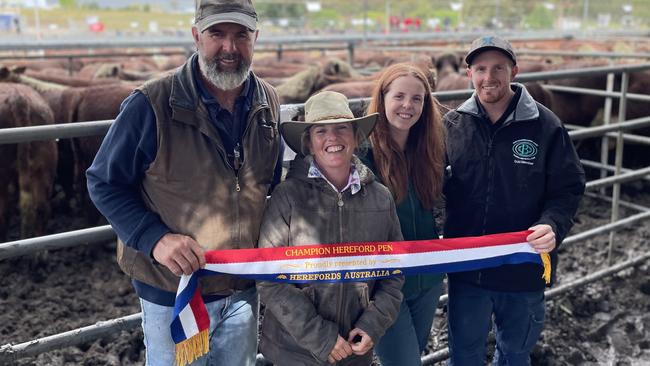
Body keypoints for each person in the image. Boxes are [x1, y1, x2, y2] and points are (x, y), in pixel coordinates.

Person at [86, 0, 283, 365]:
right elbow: (103, 182)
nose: (229, 47)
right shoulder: (151, 104)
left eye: (241, 35)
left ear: (256, 38)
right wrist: (154, 238)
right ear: (196, 36)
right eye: (217, 34)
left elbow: (271, 182)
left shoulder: (267, 100)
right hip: (173, 292)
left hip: (241, 288)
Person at [443, 35, 586, 365]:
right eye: (480, 68)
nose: (488, 77)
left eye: (498, 68)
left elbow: (569, 187)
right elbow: (437, 185)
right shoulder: (453, 124)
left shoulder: (545, 125)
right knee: (463, 355)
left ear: (514, 71)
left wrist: (553, 224)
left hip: (523, 268)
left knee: (514, 354)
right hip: (469, 271)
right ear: (469, 74)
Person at [256, 91, 404, 366]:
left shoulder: (380, 198)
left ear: (355, 137)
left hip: (354, 347)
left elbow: (394, 274)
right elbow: (269, 277)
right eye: (320, 131)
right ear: (309, 143)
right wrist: (320, 337)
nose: (332, 138)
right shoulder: (287, 197)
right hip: (295, 351)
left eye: (341, 129)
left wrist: (372, 324)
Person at [362, 63, 446, 365]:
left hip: (428, 278)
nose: (407, 106)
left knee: (415, 353)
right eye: (399, 96)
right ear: (382, 98)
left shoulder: (431, 150)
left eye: (417, 99)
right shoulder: (363, 155)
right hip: (385, 286)